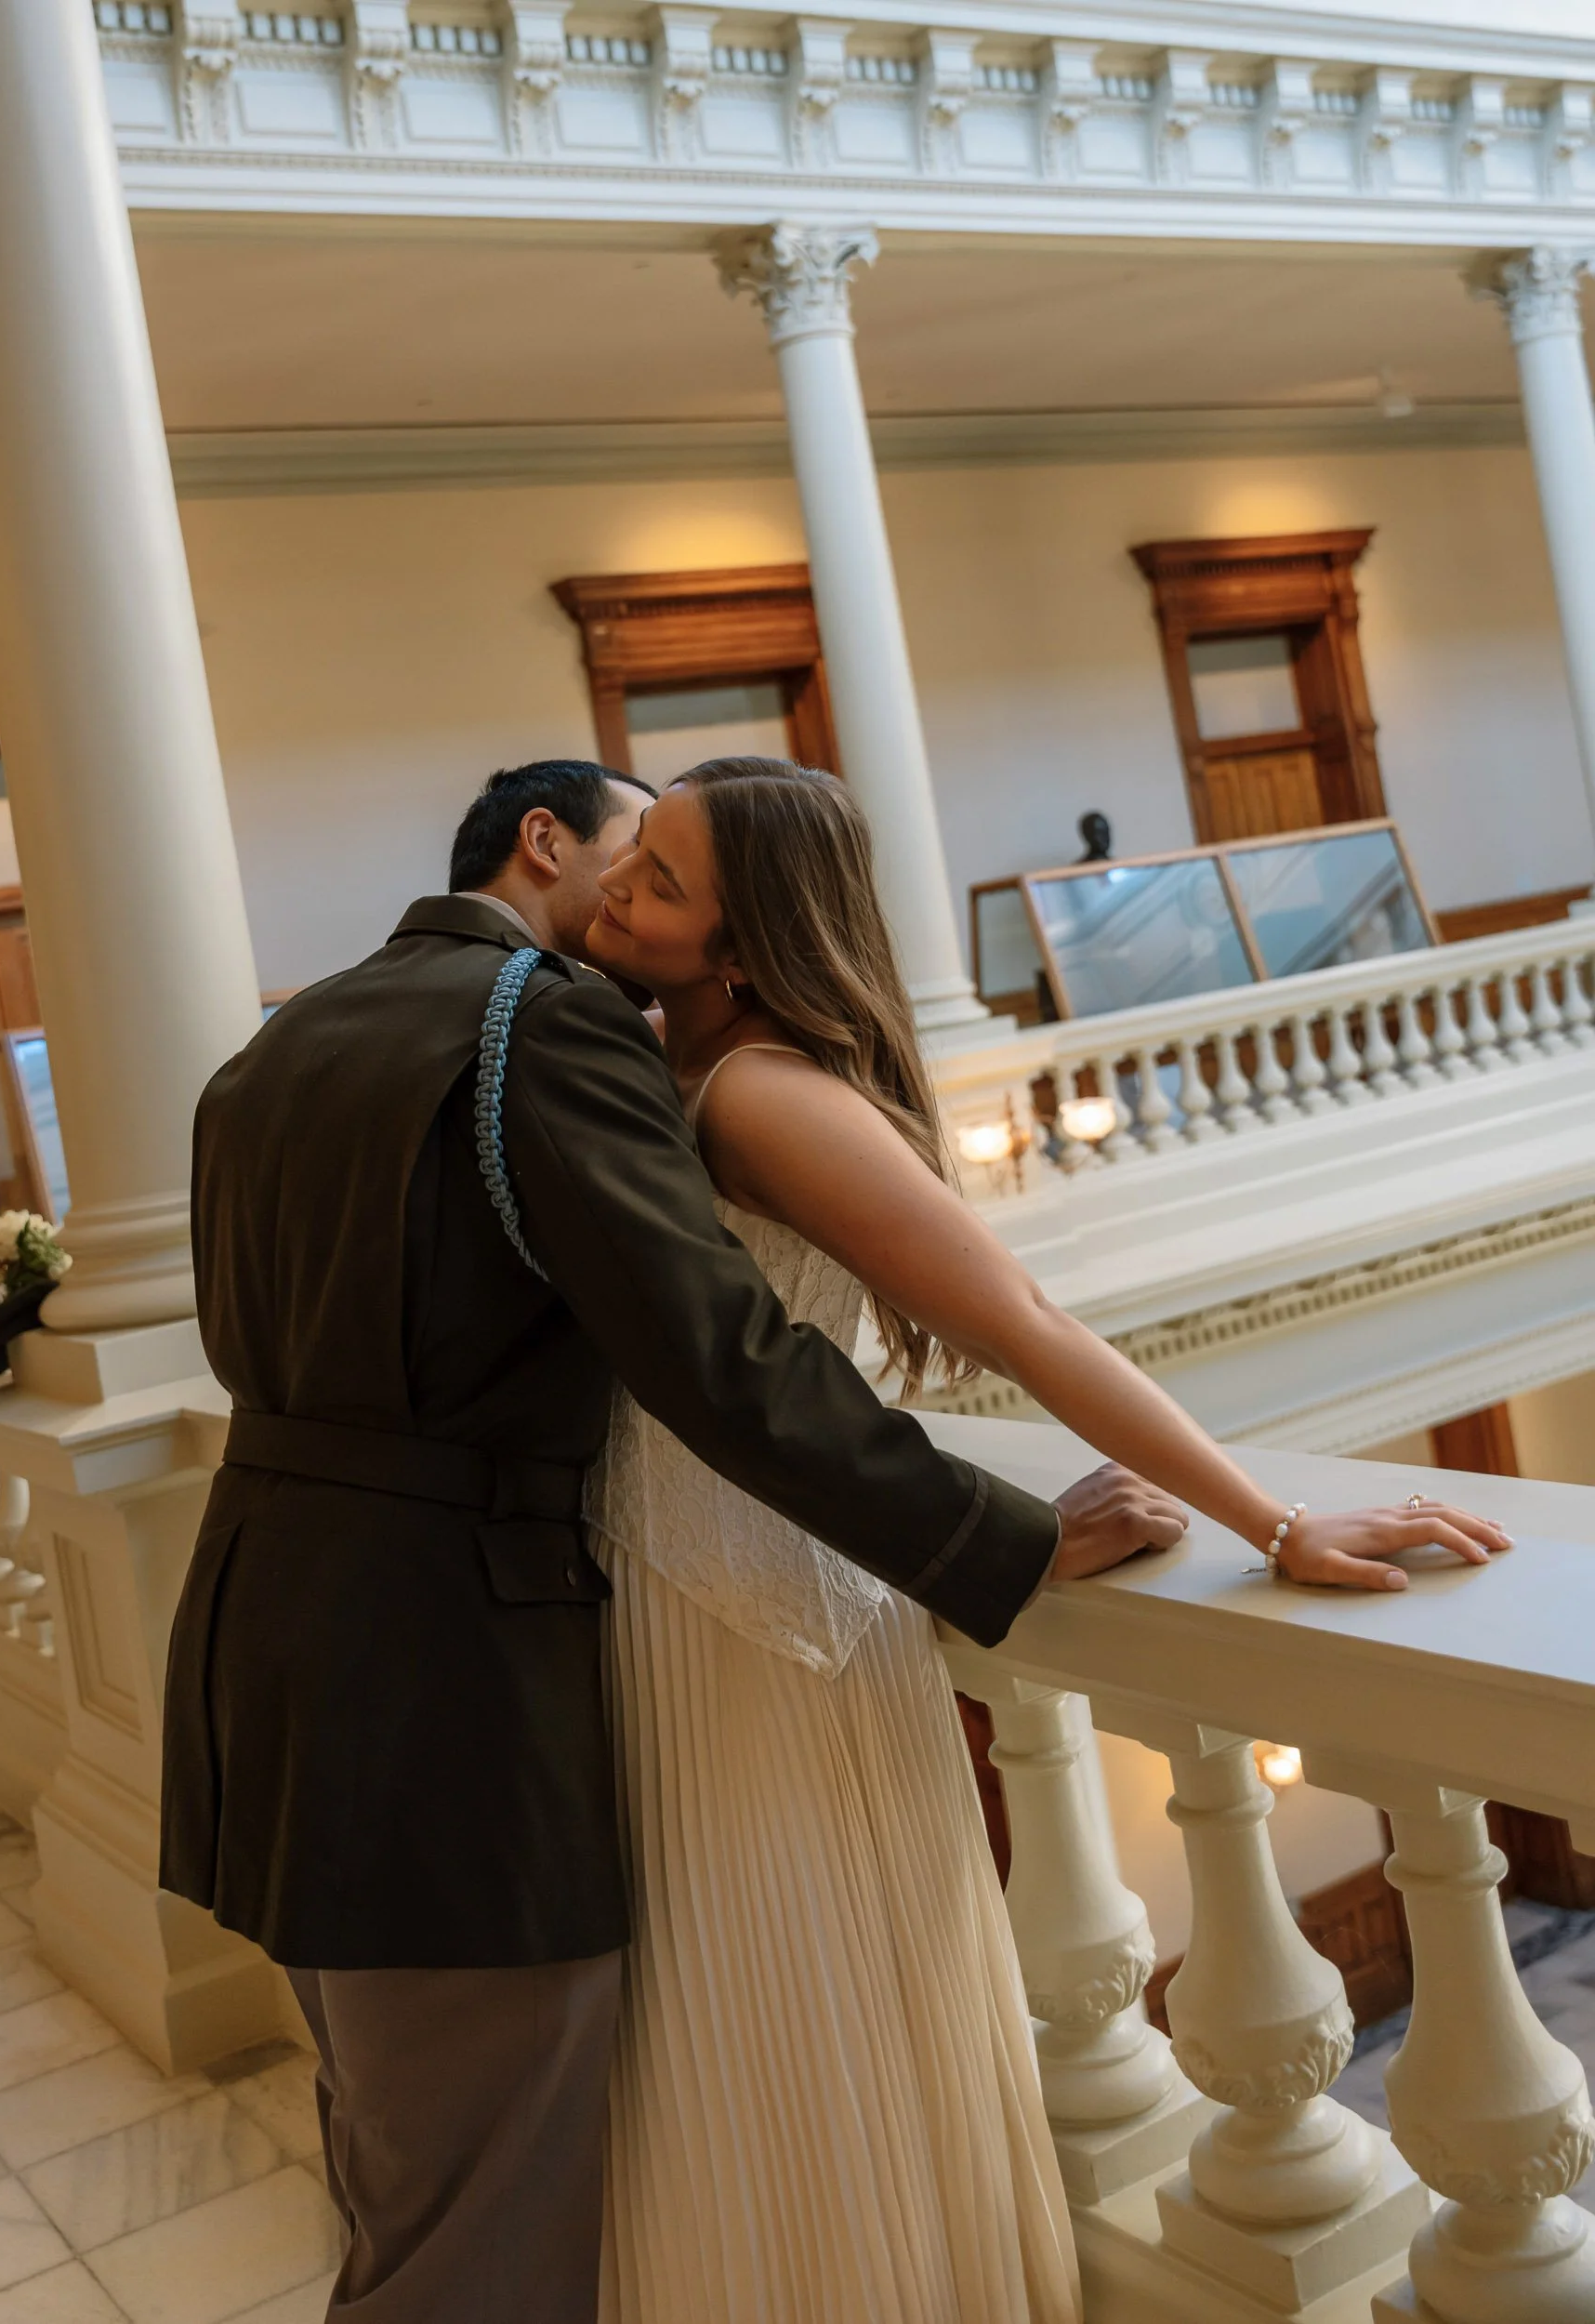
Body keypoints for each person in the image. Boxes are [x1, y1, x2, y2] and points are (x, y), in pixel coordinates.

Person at [160, 758, 1160, 2324]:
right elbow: (728, 1366)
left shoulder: (277, 1044)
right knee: (471, 2240)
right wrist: (1005, 1542)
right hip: (448, 1698)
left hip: (257, 1661)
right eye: (639, 856)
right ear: (546, 845)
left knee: (390, 2162)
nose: (632, 900)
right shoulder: (534, 1020)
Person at [582, 757, 1512, 2324]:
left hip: (757, 1613)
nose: (616, 887)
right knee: (741, 2001)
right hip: (694, 1594)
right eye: (634, 857)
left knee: (801, 1999)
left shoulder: (758, 1095)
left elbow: (1020, 1323)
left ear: (744, 953)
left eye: (659, 881)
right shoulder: (648, 1062)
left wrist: (1273, 1518)